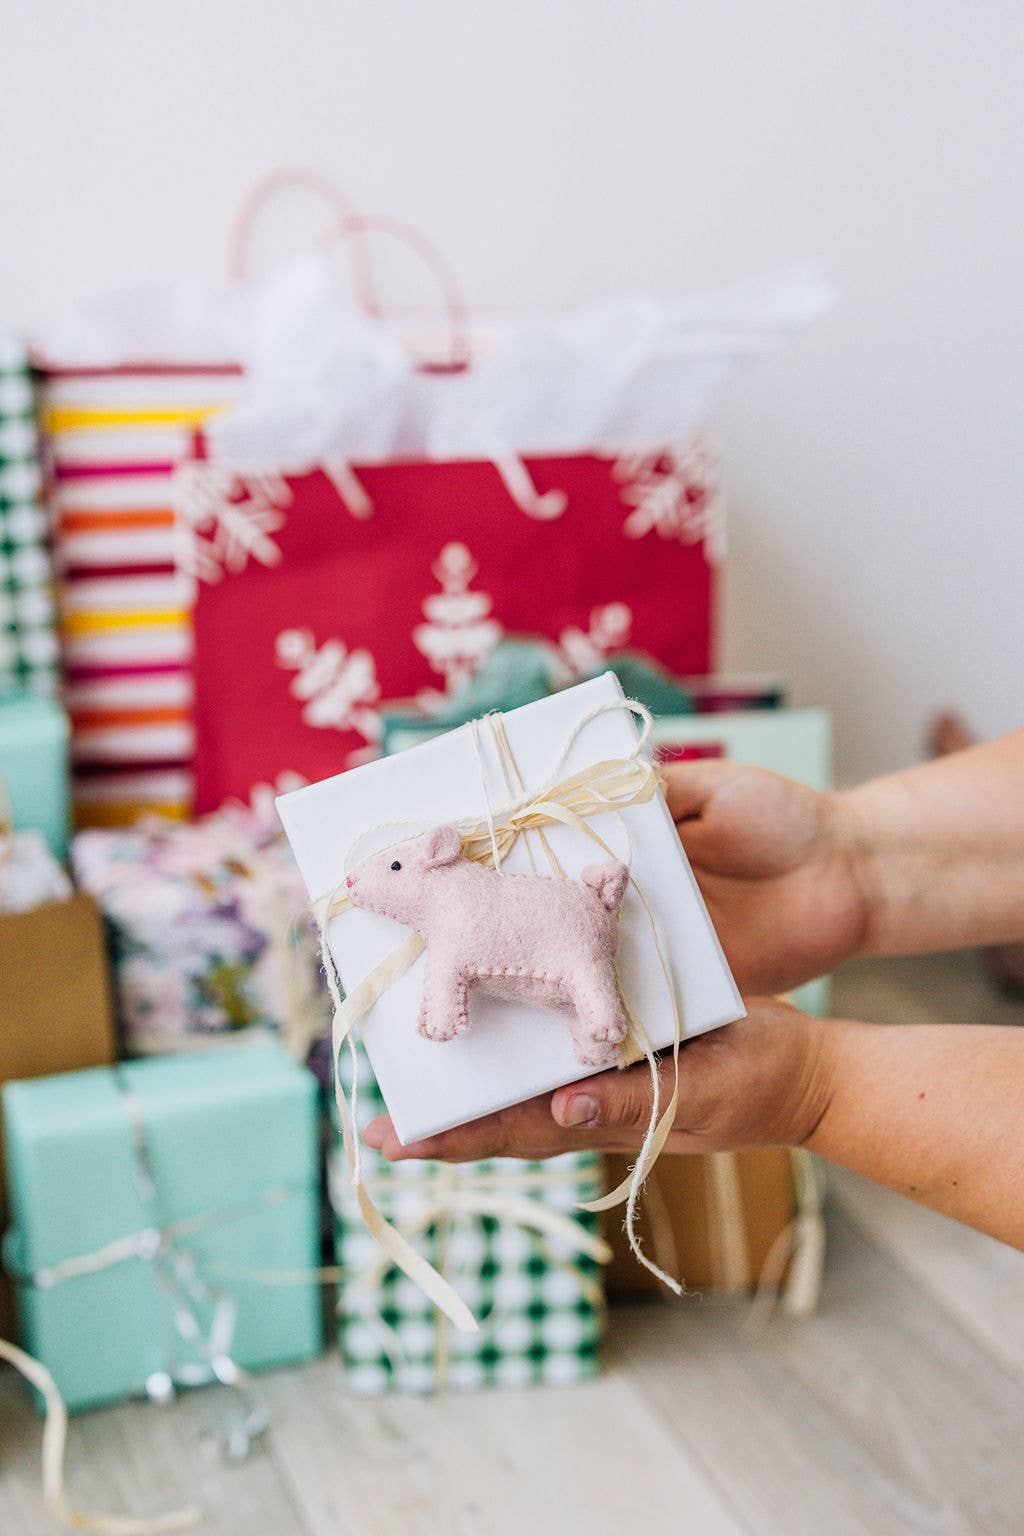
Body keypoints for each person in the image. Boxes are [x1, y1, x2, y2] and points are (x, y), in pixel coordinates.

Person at [365, 730, 1024, 1250]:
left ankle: (595, 1011)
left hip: (570, 918)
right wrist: (845, 860)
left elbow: (454, 962)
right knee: (585, 979)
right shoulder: (453, 904)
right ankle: (594, 1009)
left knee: (585, 976)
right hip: (581, 907)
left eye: (392, 868)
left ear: (433, 855)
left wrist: (816, 1091)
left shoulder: (457, 902)